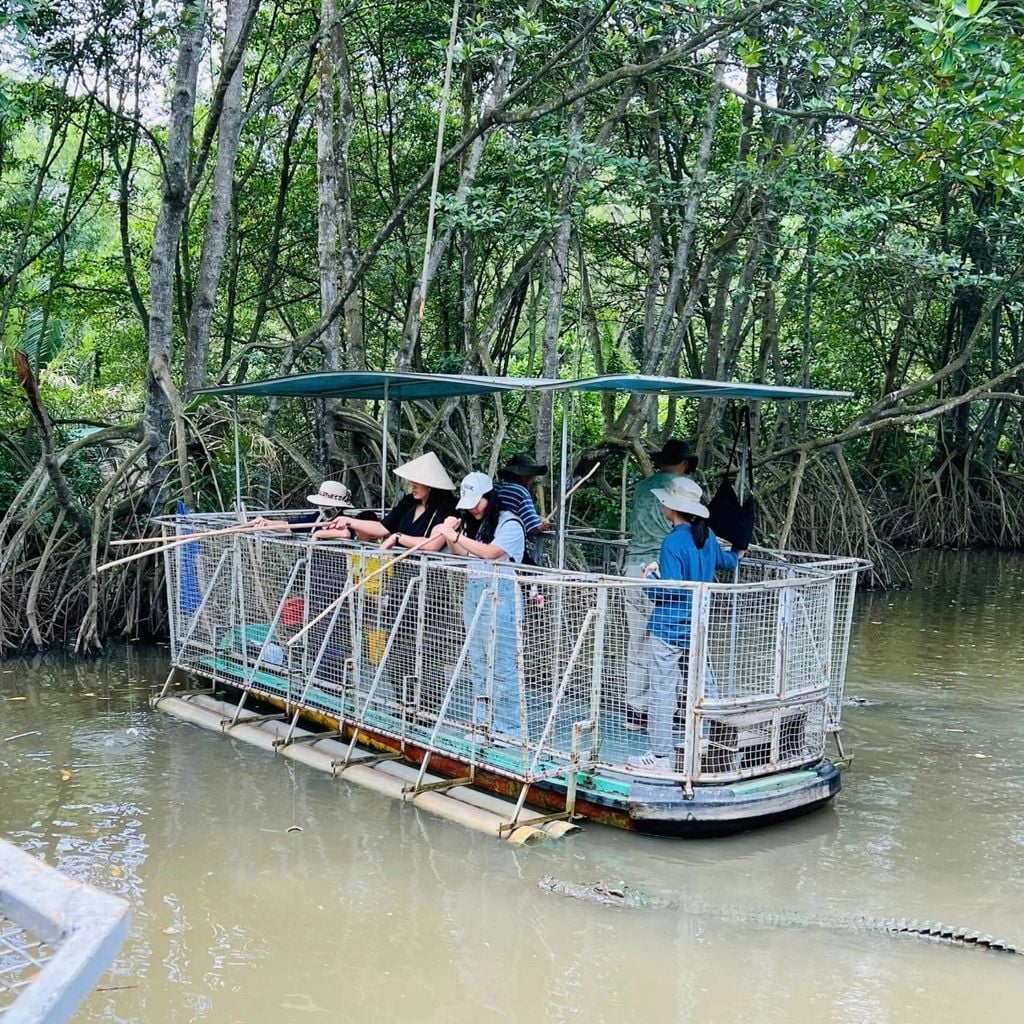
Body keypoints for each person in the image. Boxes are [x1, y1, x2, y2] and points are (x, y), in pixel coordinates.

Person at [628, 476, 743, 773]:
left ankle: (661, 756)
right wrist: (740, 547)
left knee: (663, 689)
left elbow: (671, 589)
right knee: (706, 685)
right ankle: (713, 744)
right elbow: (729, 562)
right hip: (697, 625)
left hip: (668, 627)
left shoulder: (672, 542)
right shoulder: (706, 536)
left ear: (671, 506)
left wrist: (649, 579)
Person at [435, 472, 526, 741]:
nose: (474, 508)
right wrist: (449, 532)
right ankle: (482, 724)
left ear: (490, 497)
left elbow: (490, 553)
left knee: (502, 665)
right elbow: (461, 554)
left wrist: (454, 534)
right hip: (474, 590)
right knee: (478, 661)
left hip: (502, 594)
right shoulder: (473, 526)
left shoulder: (509, 523)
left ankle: (508, 730)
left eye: (479, 502)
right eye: (469, 503)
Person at [622, 439, 699, 731]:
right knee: (671, 642)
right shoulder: (679, 488)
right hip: (663, 571)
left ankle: (635, 711)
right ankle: (671, 711)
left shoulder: (643, 486)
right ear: (685, 463)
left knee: (638, 641)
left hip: (632, 568)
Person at [316, 451, 456, 545]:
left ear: (430, 484)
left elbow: (432, 544)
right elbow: (382, 528)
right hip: (400, 569)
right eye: (412, 482)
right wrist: (349, 521)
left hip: (429, 576)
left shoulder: (447, 507)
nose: (412, 486)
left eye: (417, 483)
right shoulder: (408, 502)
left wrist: (398, 537)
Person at [495, 452, 552, 541]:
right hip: (508, 541)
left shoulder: (495, 487)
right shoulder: (520, 492)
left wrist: (537, 518)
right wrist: (543, 524)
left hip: (489, 538)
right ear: (527, 476)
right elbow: (534, 528)